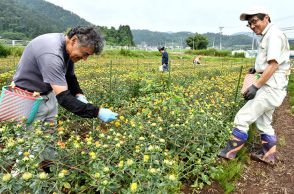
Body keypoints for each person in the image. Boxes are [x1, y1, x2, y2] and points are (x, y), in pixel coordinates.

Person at [219, 7, 290, 164]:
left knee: (242, 118)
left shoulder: (274, 35)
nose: (252, 26)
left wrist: (256, 86)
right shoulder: (268, 35)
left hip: (269, 88)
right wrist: (256, 69)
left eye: (254, 21)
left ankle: (228, 154)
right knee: (264, 123)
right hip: (275, 88)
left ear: (266, 18)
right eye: (249, 24)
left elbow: (273, 65)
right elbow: (268, 63)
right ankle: (269, 156)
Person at [13, 26, 118, 125]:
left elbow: (70, 77)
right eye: (85, 53)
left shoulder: (68, 50)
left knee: (48, 139)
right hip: (28, 99)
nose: (85, 59)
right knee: (32, 141)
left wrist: (79, 94)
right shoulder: (52, 54)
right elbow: (64, 98)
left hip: (47, 95)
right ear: (74, 40)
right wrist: (97, 112)